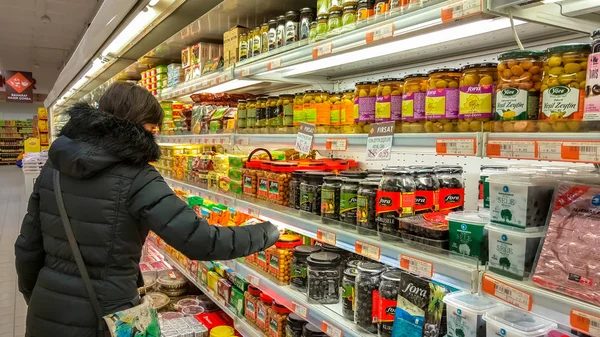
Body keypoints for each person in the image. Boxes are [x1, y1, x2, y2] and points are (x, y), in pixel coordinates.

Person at [14, 82, 280, 337]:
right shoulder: (138, 177)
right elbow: (202, 241)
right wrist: (267, 232)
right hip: (108, 314)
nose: (154, 134)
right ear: (135, 126)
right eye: (151, 127)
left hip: (46, 307)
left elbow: (27, 247)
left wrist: (36, 297)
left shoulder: (53, 169)